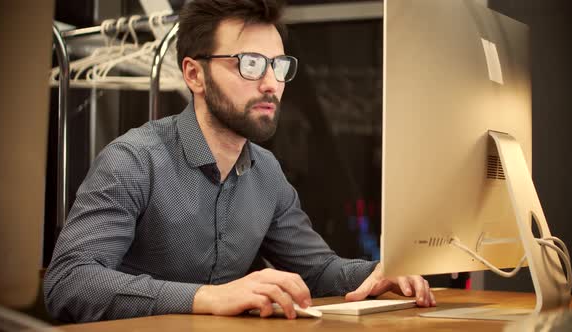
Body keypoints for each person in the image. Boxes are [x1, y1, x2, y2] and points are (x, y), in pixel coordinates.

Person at [44, 0, 435, 323]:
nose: (270, 83)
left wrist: (376, 274)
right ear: (195, 75)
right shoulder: (134, 160)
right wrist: (208, 297)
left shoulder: (267, 174)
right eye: (249, 64)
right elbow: (68, 282)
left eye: (278, 66)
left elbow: (317, 270)